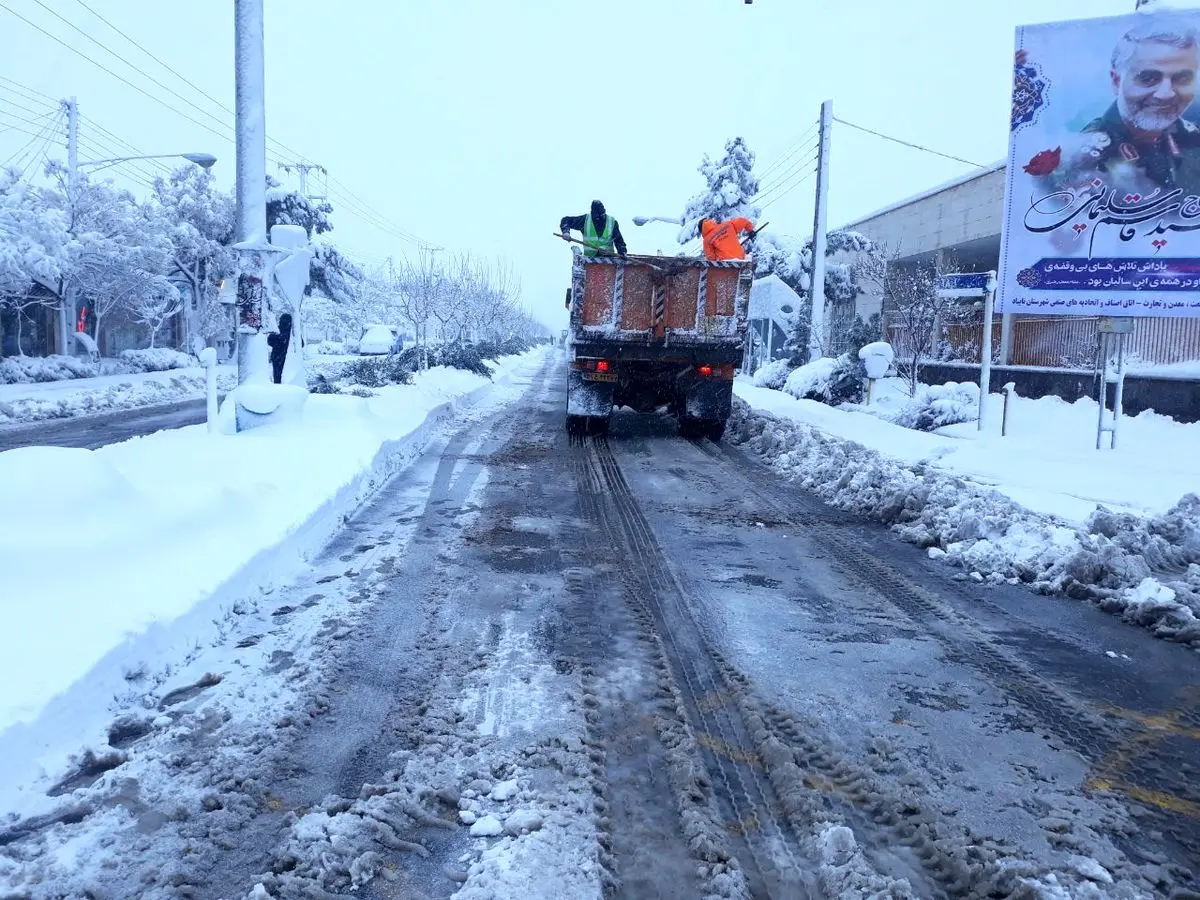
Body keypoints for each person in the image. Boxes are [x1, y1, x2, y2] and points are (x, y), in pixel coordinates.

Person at [1048, 22, 1200, 196]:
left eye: (1183, 78)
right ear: (1116, 81)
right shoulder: (1077, 163)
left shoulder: (1193, 139)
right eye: (1148, 78)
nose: (1166, 94)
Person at [560, 200, 628, 258]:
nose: (600, 219)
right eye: (598, 217)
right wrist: (565, 232)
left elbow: (619, 240)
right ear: (593, 214)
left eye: (602, 215)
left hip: (608, 260)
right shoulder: (585, 220)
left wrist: (622, 252)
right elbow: (566, 220)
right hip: (590, 260)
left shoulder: (612, 222)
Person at [267, 312, 292, 384]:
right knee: (281, 376)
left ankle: (278, 388)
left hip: (280, 356)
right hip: (282, 356)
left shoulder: (278, 329)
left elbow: (269, 341)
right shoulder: (291, 332)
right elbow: (269, 341)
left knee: (278, 376)